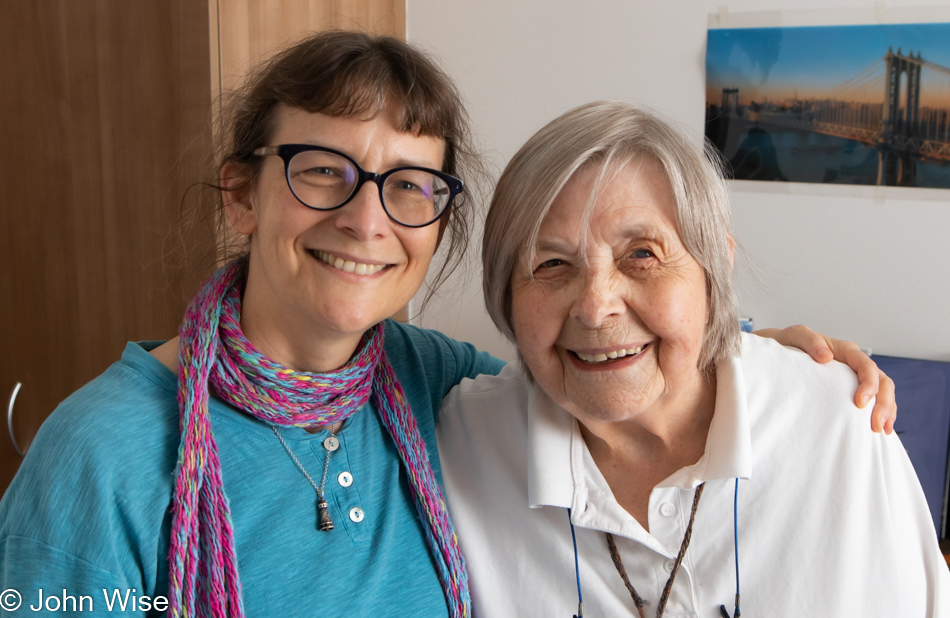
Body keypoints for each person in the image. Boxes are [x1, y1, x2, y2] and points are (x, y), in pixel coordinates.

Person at [0, 33, 895, 617]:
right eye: (321, 170)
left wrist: (735, 346)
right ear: (241, 192)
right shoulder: (99, 457)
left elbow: (595, 359)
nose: (365, 219)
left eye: (409, 187)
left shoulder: (424, 384)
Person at [437, 100, 950, 617]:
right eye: (549, 264)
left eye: (642, 254)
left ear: (714, 270)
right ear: (505, 294)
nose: (595, 309)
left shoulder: (837, 421)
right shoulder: (459, 440)